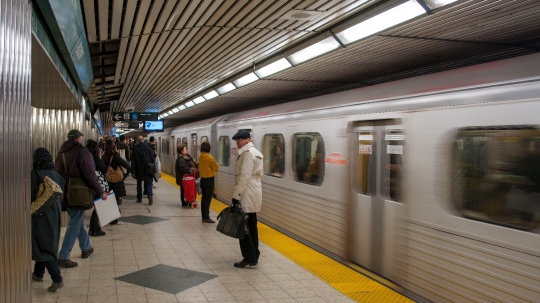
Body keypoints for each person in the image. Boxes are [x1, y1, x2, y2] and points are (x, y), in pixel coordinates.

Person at [55, 130, 107, 268]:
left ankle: (86, 247)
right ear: (78, 139)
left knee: (77, 221)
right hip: (78, 193)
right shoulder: (83, 153)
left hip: (65, 192)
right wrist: (100, 192)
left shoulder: (61, 152)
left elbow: (57, 172)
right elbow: (90, 175)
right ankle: (63, 256)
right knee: (74, 223)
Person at [30, 148, 65, 292]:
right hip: (54, 214)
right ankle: (38, 273)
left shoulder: (36, 174)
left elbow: (31, 196)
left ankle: (56, 278)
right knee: (45, 242)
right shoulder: (57, 175)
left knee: (42, 245)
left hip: (40, 214)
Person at [231, 130, 264, 268]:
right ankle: (255, 254)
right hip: (254, 191)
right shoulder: (256, 152)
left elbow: (243, 177)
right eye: (237, 140)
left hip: (247, 193)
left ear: (247, 140)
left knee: (242, 227)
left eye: (240, 139)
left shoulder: (247, 154)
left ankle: (249, 257)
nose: (237, 142)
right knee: (251, 225)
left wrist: (235, 197)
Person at [85, 140, 108, 237]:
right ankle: (96, 229)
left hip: (88, 183)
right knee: (98, 207)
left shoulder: (85, 156)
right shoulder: (94, 157)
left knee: (96, 206)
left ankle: (91, 229)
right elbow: (104, 168)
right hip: (97, 183)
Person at [102, 139, 131, 209]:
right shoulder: (115, 156)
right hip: (116, 182)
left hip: (107, 180)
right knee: (115, 199)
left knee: (109, 198)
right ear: (114, 147)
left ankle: (111, 213)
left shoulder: (103, 156)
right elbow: (127, 166)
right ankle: (114, 215)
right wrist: (124, 176)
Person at [198, 141, 219, 223]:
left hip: (202, 180)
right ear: (209, 148)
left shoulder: (200, 157)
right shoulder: (210, 158)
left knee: (203, 198)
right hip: (209, 180)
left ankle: (203, 216)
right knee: (208, 199)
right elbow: (216, 168)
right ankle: (206, 217)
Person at [131, 136, 155, 205]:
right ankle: (149, 196)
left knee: (139, 184)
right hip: (148, 168)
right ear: (143, 140)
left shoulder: (135, 148)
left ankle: (139, 199)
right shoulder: (148, 147)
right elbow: (152, 158)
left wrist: (133, 171)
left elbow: (133, 161)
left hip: (139, 169)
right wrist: (152, 166)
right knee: (148, 183)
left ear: (137, 141)